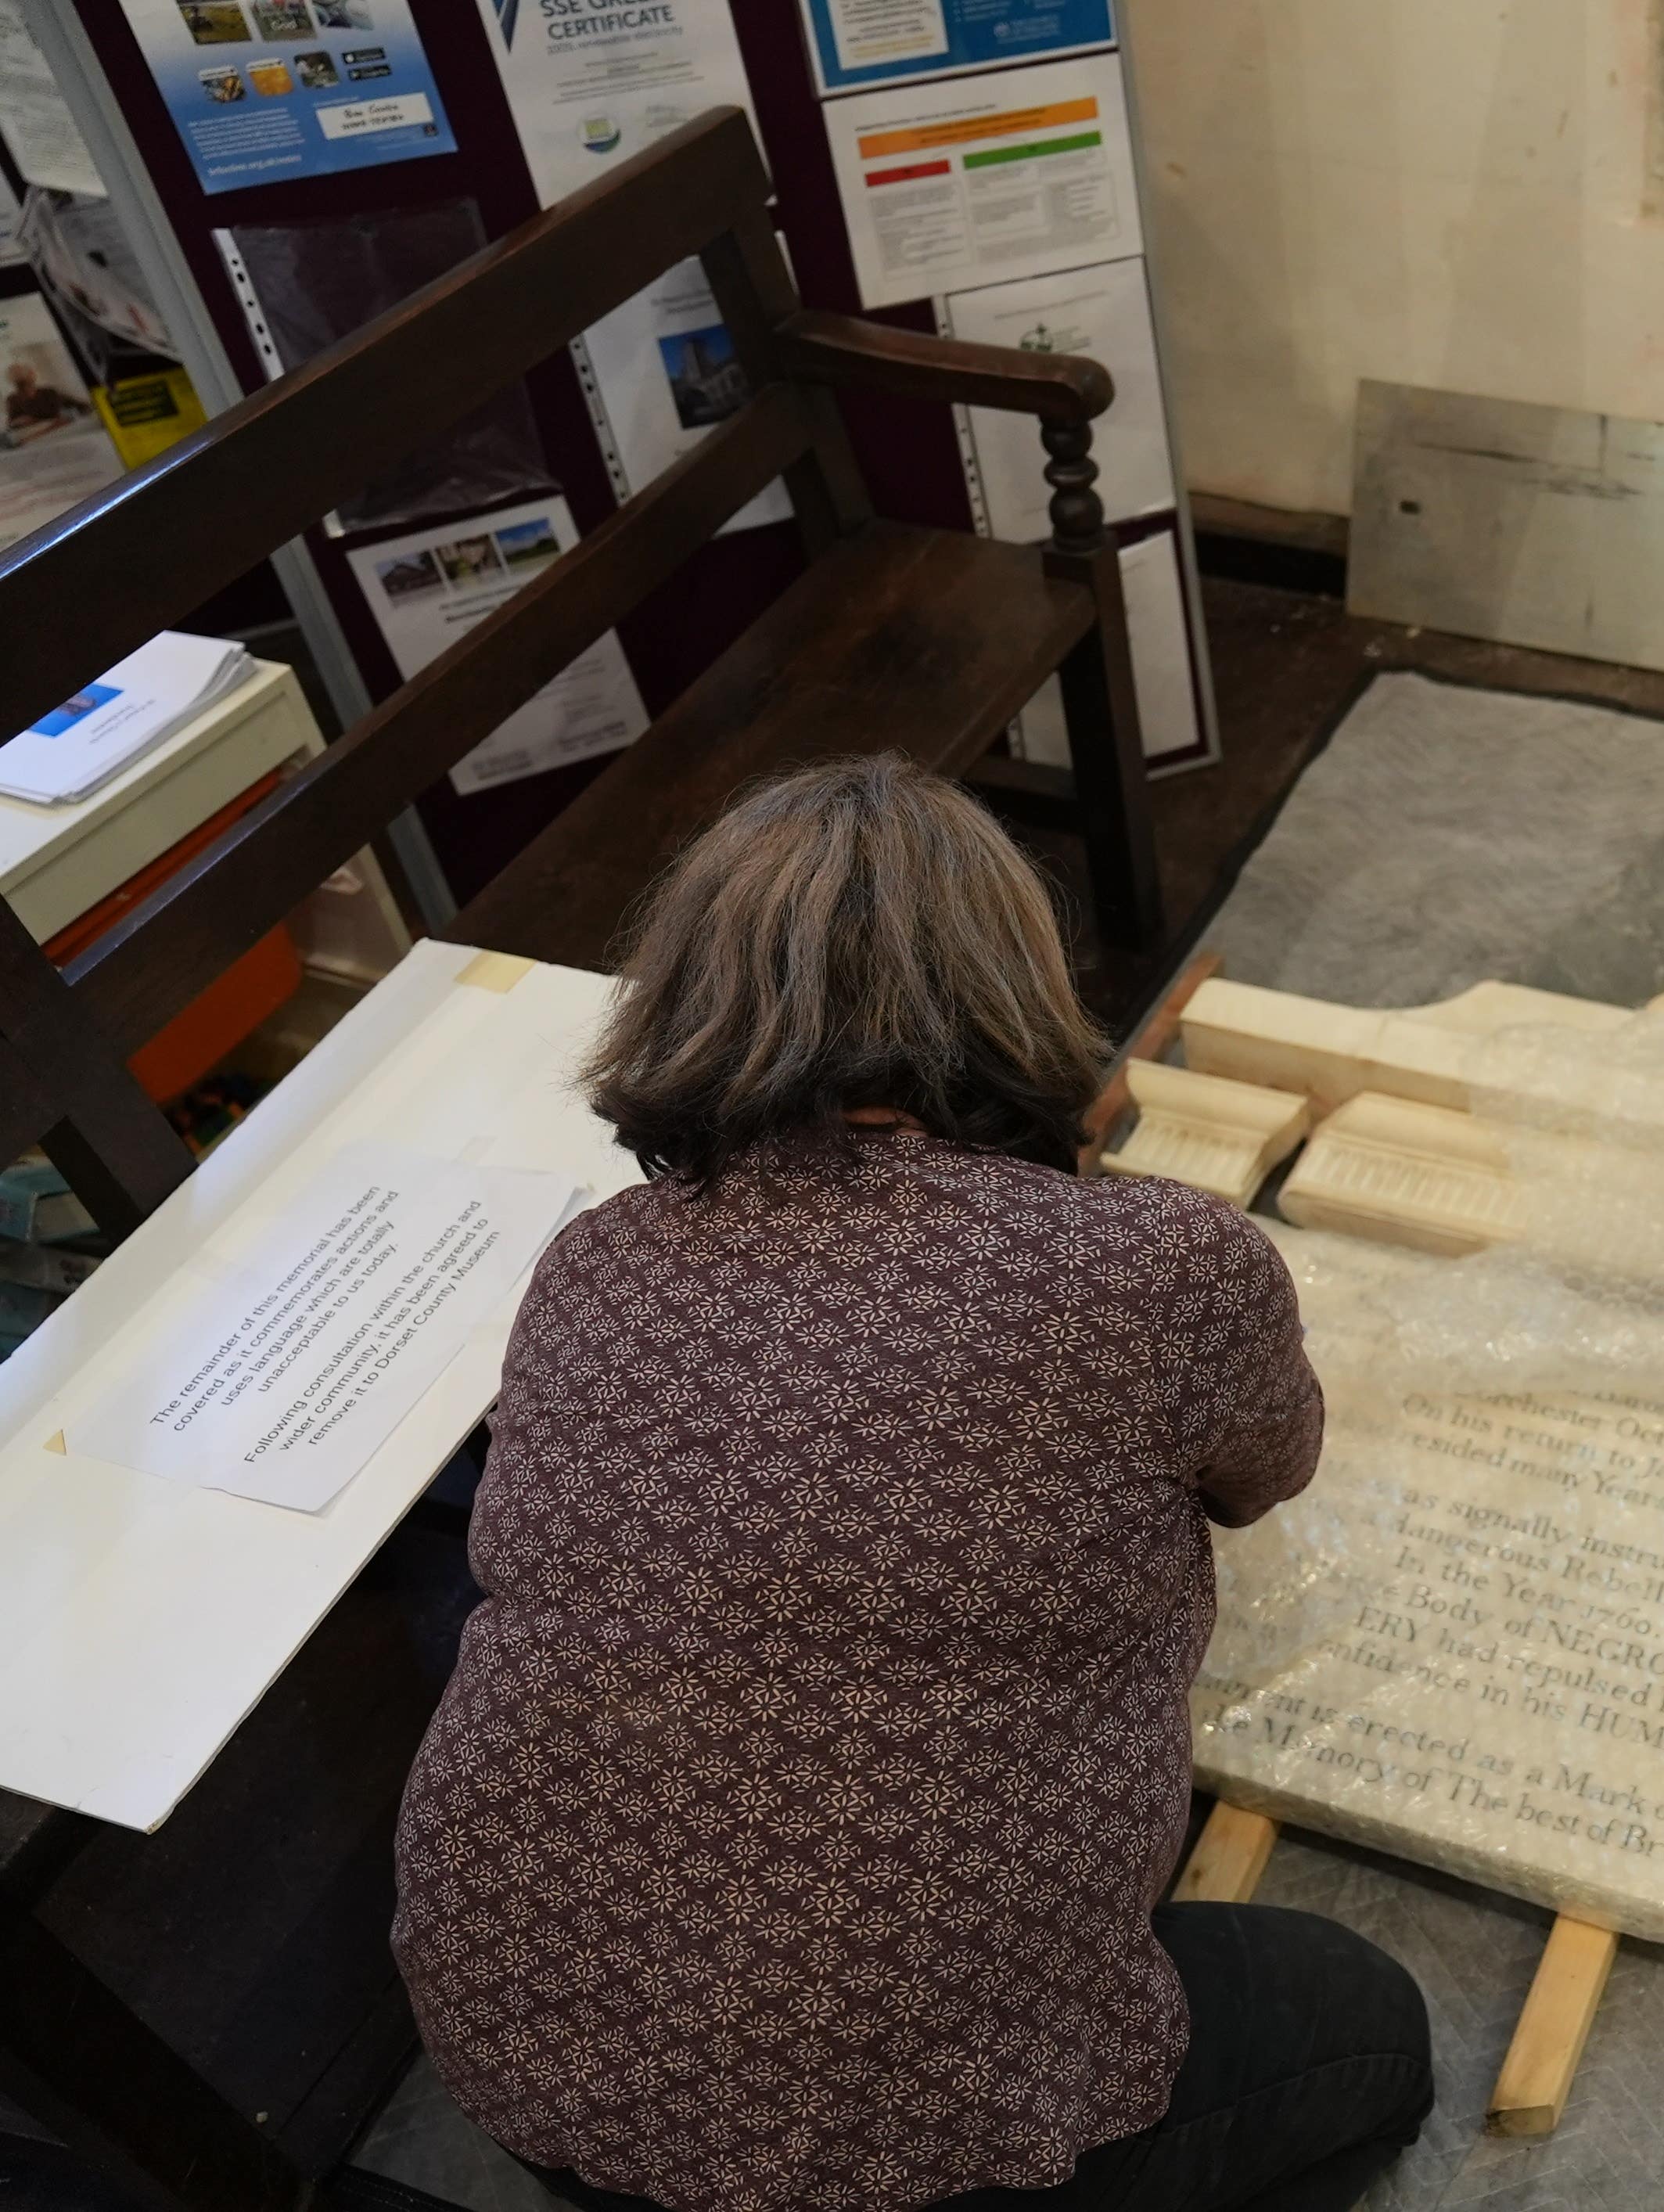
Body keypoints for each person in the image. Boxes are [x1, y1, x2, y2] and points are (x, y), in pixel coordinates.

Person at [393, 758, 1433, 2212]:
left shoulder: (599, 1259)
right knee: (1364, 2022)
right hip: (911, 2146)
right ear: (1014, 986)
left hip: (515, 2060)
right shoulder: (1160, 1268)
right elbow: (1267, 1472)